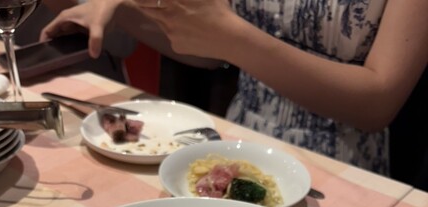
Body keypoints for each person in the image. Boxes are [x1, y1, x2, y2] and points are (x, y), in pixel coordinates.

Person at [40, 0, 428, 176]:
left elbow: (378, 103)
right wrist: (119, 14)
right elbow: (208, 53)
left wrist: (234, 39)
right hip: (235, 142)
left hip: (343, 163)